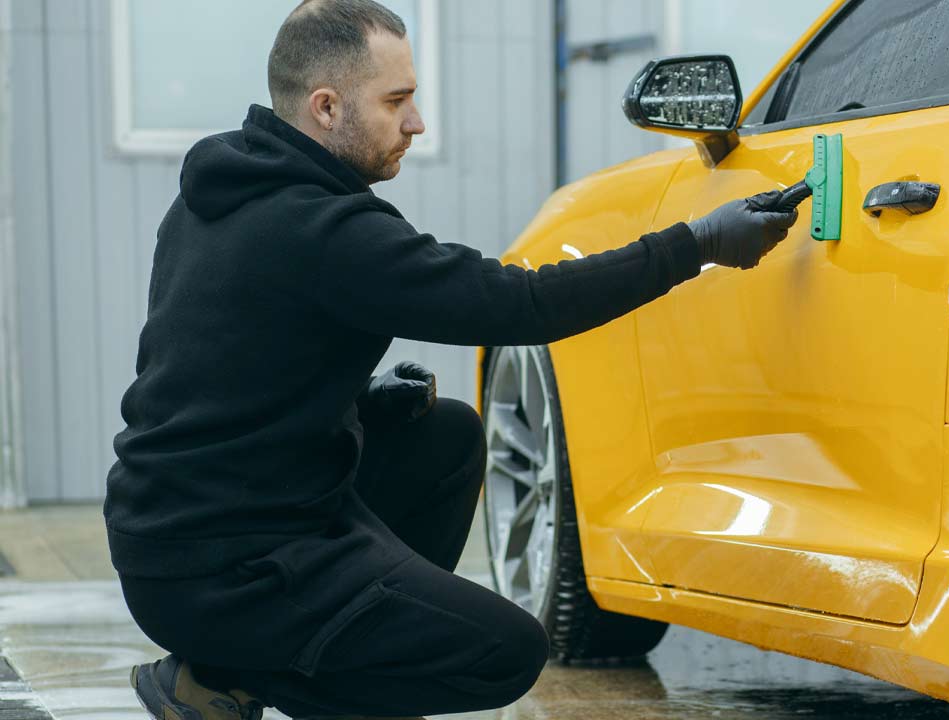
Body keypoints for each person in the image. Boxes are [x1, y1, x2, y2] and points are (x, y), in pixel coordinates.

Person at [106, 1, 802, 718]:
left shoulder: (212, 197)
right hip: (232, 566)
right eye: (396, 101)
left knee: (442, 436)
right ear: (325, 107)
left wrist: (355, 400)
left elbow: (217, 367)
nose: (416, 123)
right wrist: (696, 245)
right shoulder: (326, 230)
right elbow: (520, 304)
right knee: (503, 652)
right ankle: (221, 682)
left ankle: (260, 658)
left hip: (170, 540)